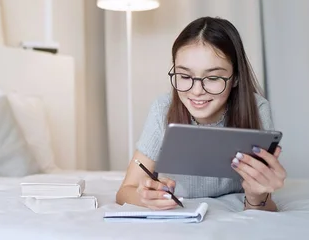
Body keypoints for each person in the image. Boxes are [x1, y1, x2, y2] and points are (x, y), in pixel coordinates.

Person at [116, 16, 286, 212]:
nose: (196, 91)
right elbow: (125, 191)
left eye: (213, 77)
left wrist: (257, 196)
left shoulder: (257, 109)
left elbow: (264, 206)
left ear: (236, 78)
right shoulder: (163, 109)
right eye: (185, 76)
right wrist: (146, 197)